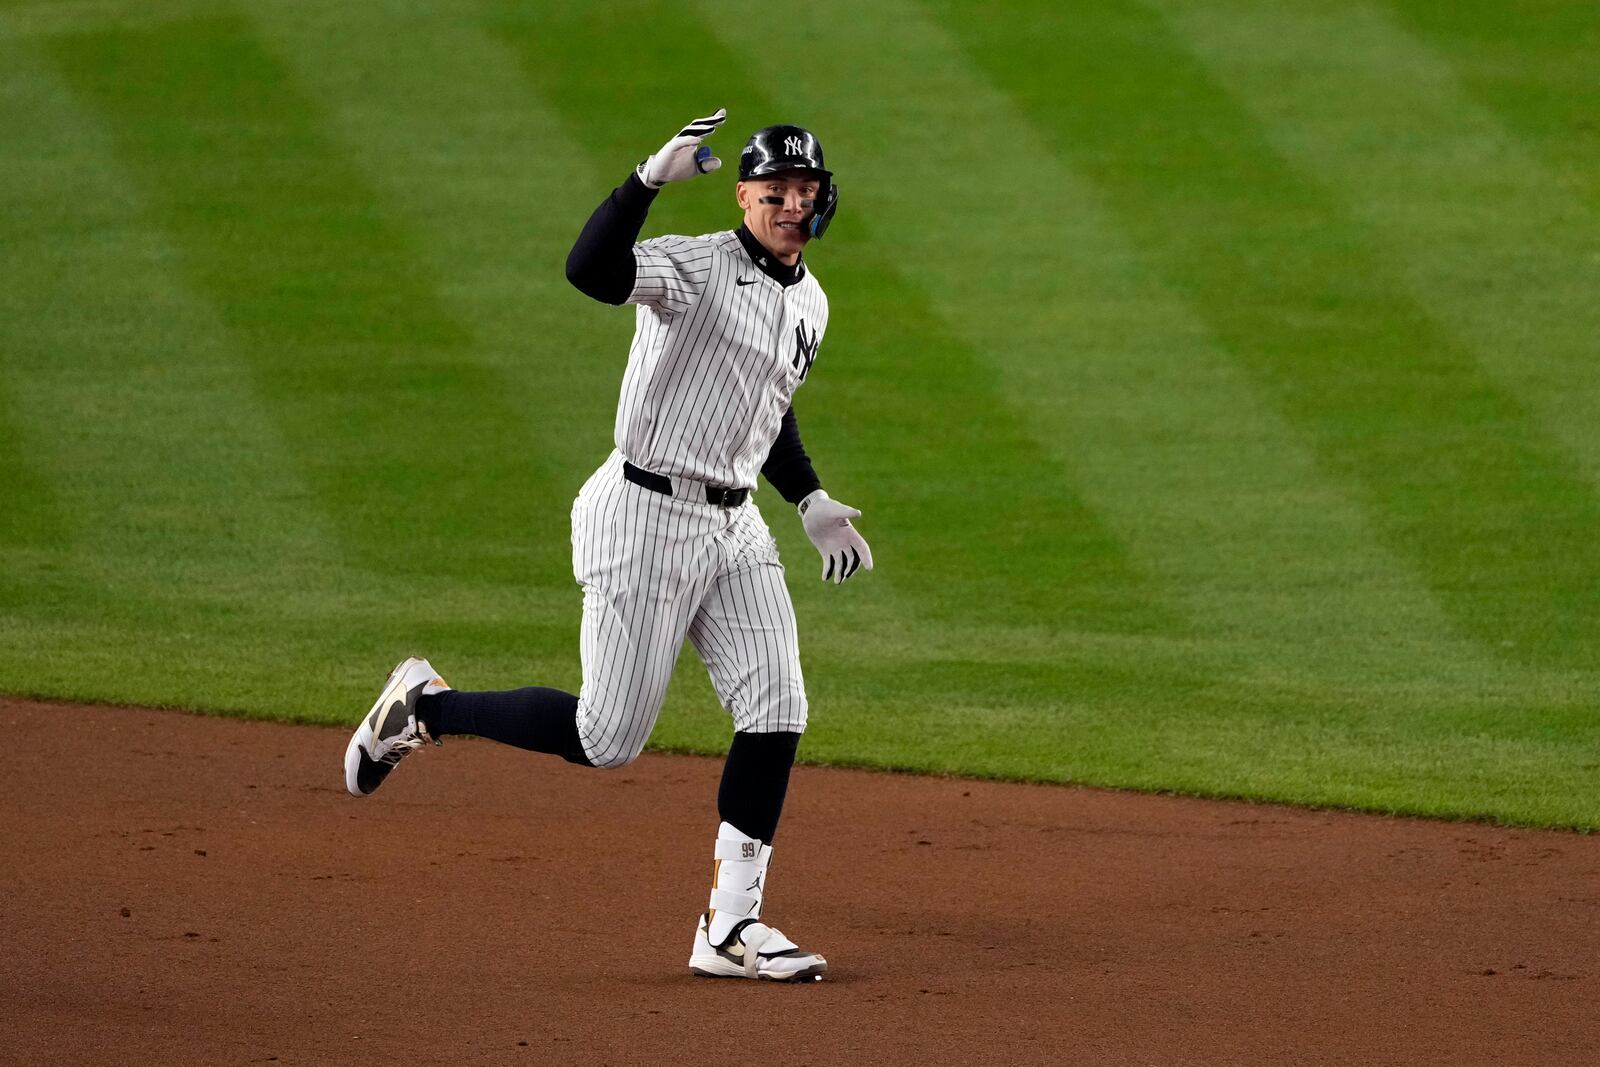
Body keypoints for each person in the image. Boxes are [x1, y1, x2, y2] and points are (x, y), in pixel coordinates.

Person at [342, 109, 872, 982]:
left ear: (822, 200)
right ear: (743, 195)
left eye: (803, 191)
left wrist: (808, 496)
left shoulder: (811, 299)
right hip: (645, 514)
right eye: (772, 191)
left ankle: (730, 927)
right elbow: (589, 271)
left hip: (735, 525)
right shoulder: (694, 266)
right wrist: (644, 181)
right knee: (606, 736)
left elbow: (764, 405)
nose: (788, 204)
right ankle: (424, 707)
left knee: (778, 708)